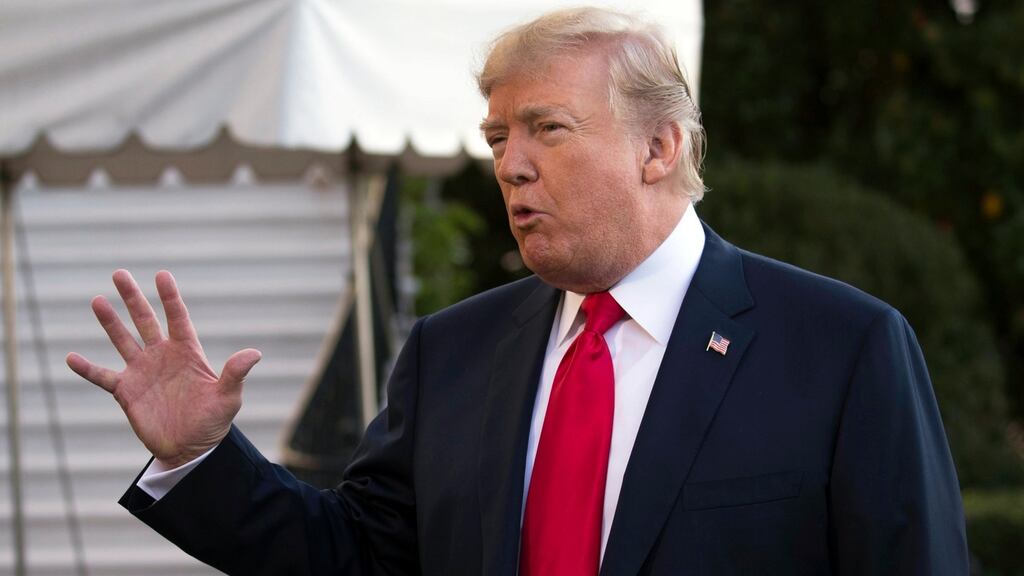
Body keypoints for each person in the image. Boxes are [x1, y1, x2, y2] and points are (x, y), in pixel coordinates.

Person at [66, 7, 969, 575]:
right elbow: (359, 558)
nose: (510, 165)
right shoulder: (453, 352)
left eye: (548, 129)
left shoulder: (840, 347)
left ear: (660, 148)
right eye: (499, 137)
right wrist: (203, 459)